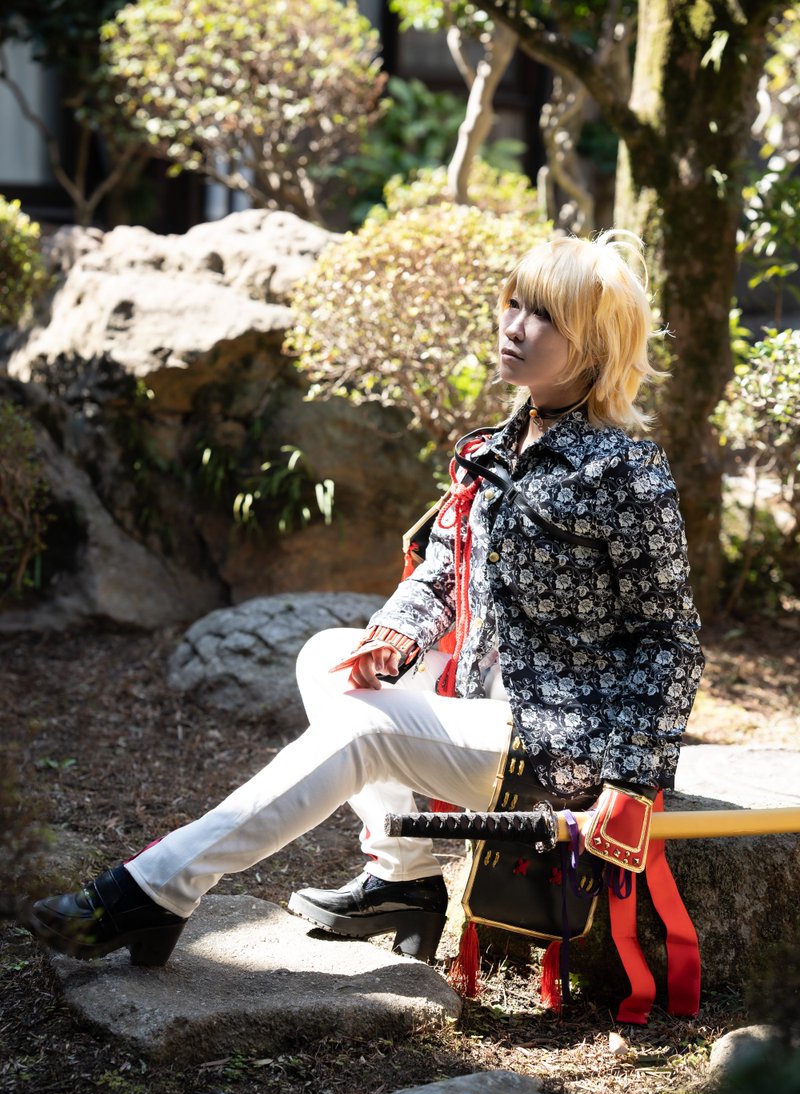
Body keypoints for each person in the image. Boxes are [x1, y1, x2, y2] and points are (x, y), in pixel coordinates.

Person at [21, 230, 705, 969]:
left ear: (595, 346)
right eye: (515, 303)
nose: (514, 325)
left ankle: (153, 889)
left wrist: (630, 781)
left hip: (563, 742)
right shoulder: (498, 446)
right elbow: (444, 569)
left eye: (544, 316)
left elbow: (669, 640)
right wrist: (397, 635)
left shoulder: (624, 470)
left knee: (364, 729)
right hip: (490, 702)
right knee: (328, 658)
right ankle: (403, 880)